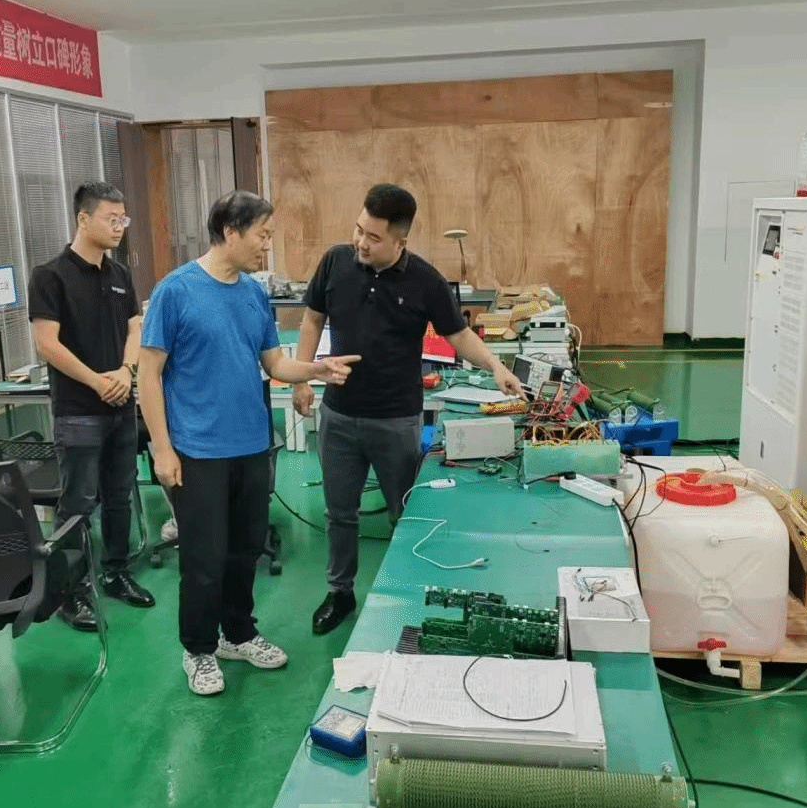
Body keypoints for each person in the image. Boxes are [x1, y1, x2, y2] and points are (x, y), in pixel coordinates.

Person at [137, 191, 359, 696]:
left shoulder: (254, 295)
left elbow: (274, 363)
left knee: (244, 551)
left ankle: (237, 634)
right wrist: (162, 449)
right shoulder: (175, 291)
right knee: (203, 559)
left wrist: (318, 369)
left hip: (251, 445)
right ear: (230, 232)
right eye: (262, 234)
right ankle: (198, 648)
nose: (266, 245)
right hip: (197, 450)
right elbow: (149, 375)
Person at [293, 184, 524, 635]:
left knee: (404, 513)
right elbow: (312, 319)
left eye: (373, 237)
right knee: (340, 514)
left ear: (401, 241)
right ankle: (340, 592)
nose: (360, 242)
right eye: (358, 230)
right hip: (338, 416)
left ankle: (407, 588)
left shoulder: (425, 281)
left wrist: (496, 365)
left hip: (395, 420)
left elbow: (458, 335)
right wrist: (302, 376)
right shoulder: (336, 261)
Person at [27, 181, 155, 632]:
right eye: (111, 219)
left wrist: (125, 371)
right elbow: (47, 344)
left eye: (124, 219)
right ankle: (71, 592)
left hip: (120, 407)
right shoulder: (50, 276)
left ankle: (115, 572)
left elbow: (135, 327)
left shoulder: (119, 274)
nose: (120, 227)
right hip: (78, 410)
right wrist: (97, 381)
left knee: (119, 495)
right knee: (78, 503)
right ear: (83, 219)